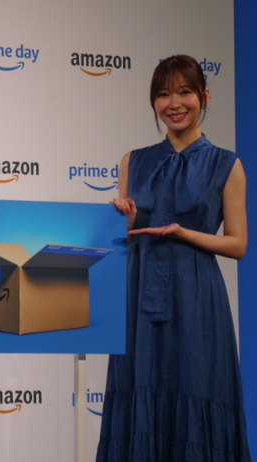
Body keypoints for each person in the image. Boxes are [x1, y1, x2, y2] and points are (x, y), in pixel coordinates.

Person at [95, 55, 251, 462]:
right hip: (138, 297)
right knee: (140, 386)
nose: (174, 103)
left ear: (204, 96)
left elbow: (238, 244)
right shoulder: (133, 160)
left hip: (196, 297)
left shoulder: (227, 164)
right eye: (163, 94)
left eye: (185, 92)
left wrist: (183, 232)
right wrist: (124, 220)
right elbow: (123, 237)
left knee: (197, 385)